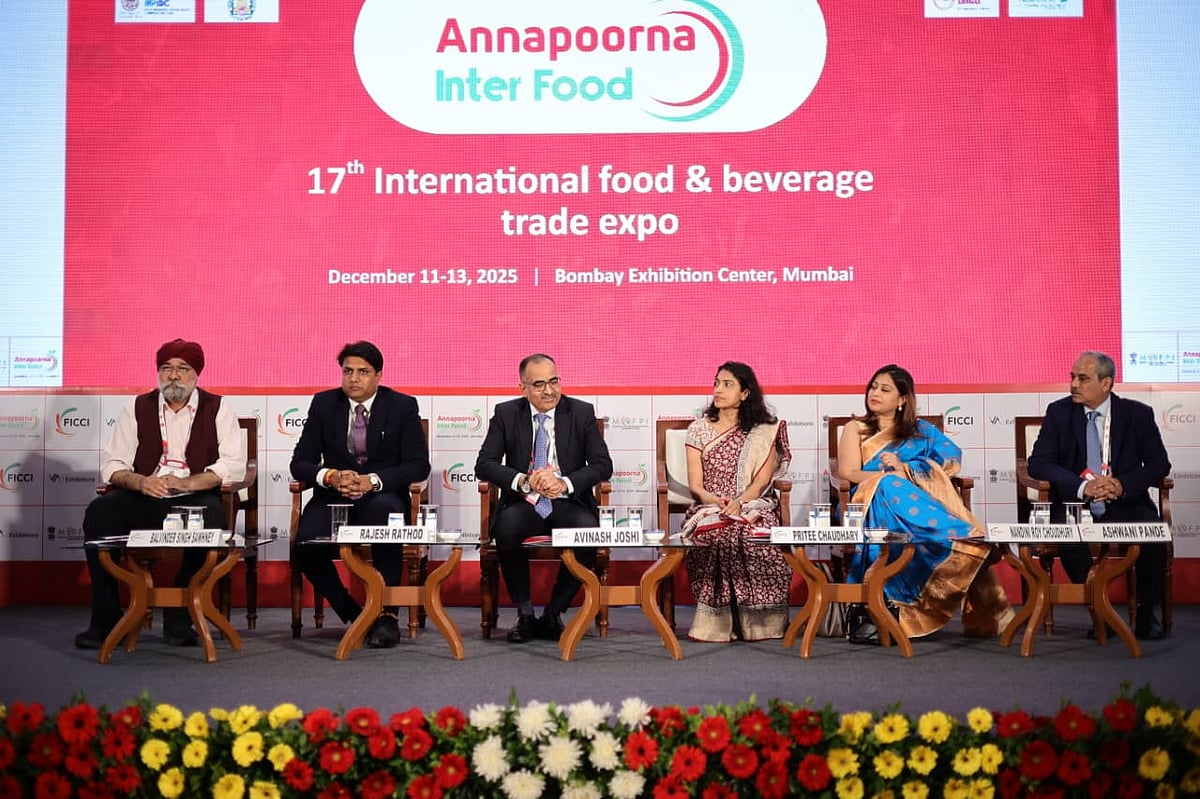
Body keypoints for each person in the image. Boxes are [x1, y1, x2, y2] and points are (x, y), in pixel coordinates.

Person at [75, 339, 247, 649]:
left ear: (196, 374)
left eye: (183, 369)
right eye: (167, 368)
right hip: (147, 494)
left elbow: (233, 465)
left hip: (193, 495)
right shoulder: (137, 407)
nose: (174, 376)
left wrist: (188, 483)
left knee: (214, 516)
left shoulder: (218, 408)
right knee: (99, 512)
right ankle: (106, 619)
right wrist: (140, 482)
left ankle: (179, 616)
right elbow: (113, 464)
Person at [838, 364, 1013, 641]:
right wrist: (889, 476)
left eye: (885, 389)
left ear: (902, 399)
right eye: (873, 387)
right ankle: (962, 536)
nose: (875, 393)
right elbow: (848, 473)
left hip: (913, 503)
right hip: (865, 502)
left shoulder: (921, 431)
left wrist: (906, 469)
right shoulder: (855, 428)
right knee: (888, 484)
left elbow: (950, 461)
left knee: (895, 484)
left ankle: (953, 538)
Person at [290, 341, 430, 649]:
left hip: (382, 494)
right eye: (348, 371)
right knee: (305, 546)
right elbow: (299, 462)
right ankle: (354, 613)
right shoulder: (324, 404)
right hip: (334, 496)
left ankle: (387, 616)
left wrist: (373, 481)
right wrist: (331, 476)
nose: (353, 378)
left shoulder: (402, 406)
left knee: (385, 520)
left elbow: (419, 465)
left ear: (378, 375)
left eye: (363, 372)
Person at [1027, 351, 1171, 640]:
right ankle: (1101, 612)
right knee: (1067, 536)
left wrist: (1121, 484)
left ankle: (1146, 614)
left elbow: (1159, 464)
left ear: (1106, 383)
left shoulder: (1137, 414)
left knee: (1152, 533)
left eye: (1083, 379)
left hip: (1122, 501)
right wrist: (1083, 486)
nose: (1073, 385)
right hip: (1074, 502)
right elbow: (1039, 463)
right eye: (1072, 377)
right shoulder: (1059, 412)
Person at [474, 354, 613, 643]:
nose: (549, 391)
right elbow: (484, 464)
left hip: (567, 501)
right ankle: (525, 614)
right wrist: (524, 481)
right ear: (523, 388)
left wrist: (564, 483)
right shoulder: (506, 413)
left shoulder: (581, 412)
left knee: (588, 530)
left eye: (554, 381)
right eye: (539, 384)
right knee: (507, 525)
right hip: (525, 502)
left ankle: (553, 613)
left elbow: (603, 465)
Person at [681, 361, 792, 643]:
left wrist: (739, 503)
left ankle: (760, 624)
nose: (718, 389)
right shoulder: (698, 429)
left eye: (727, 384)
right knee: (719, 532)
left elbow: (760, 483)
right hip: (710, 506)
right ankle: (717, 624)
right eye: (716, 383)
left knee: (752, 532)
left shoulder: (764, 431)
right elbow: (696, 486)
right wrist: (718, 501)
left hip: (752, 505)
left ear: (745, 393)